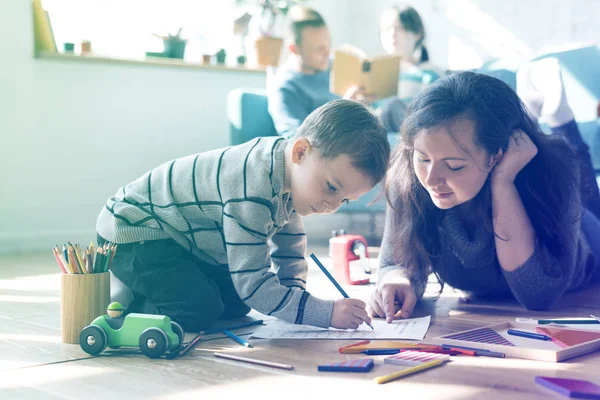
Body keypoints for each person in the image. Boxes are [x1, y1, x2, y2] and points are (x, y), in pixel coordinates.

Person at [96, 99, 390, 332]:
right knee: (198, 311)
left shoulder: (291, 179)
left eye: (345, 200)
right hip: (135, 229)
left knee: (235, 304)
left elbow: (289, 253)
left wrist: (296, 299)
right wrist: (323, 313)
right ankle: (127, 301)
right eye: (331, 187)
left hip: (181, 240)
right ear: (301, 152)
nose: (331, 205)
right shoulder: (253, 182)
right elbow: (253, 284)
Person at [367, 69, 600, 322]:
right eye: (423, 158)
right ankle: (539, 117)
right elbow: (393, 263)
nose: (431, 179)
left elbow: (538, 295)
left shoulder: (550, 172)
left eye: (454, 165)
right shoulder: (409, 175)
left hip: (588, 237)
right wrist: (396, 281)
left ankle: (562, 120)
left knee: (586, 189)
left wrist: (502, 182)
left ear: (496, 157)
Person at [267, 6, 365, 137]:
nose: (327, 53)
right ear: (294, 49)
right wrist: (344, 110)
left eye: (328, 44)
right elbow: (297, 142)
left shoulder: (334, 65)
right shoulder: (285, 87)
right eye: (319, 49)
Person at [379, 6, 444, 105]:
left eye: (400, 28)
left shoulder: (431, 73)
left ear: (417, 33)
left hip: (414, 117)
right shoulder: (376, 75)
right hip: (376, 118)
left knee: (393, 105)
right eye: (387, 29)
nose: (392, 34)